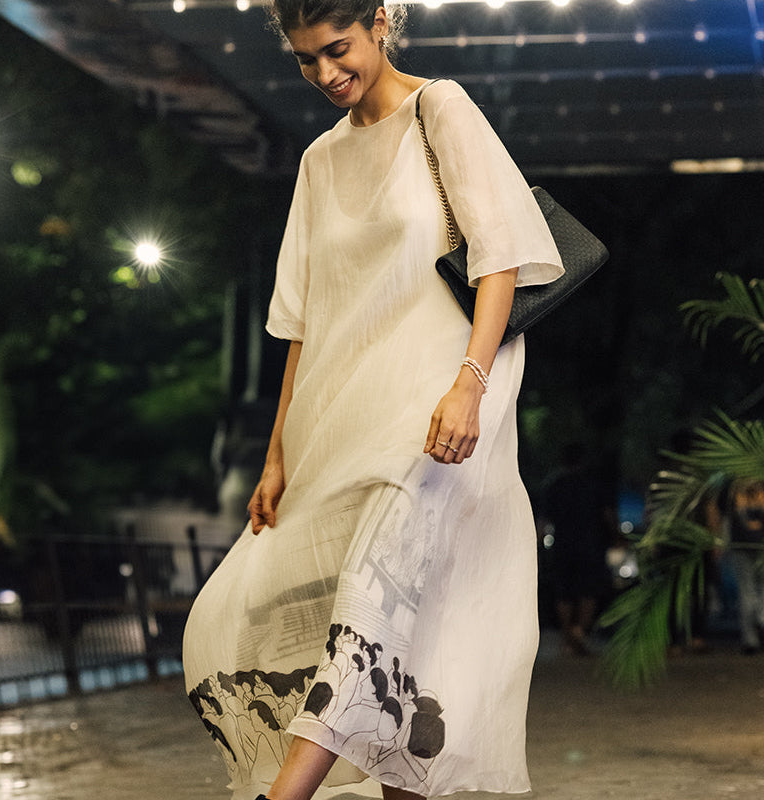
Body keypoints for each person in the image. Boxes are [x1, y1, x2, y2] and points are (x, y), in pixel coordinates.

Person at [182, 2, 563, 799]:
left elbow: (500, 259)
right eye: (305, 59)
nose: (325, 73)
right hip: (345, 418)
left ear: (381, 21)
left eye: (338, 48)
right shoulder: (320, 161)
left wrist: (470, 385)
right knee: (378, 645)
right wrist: (276, 455)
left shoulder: (440, 108)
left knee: (369, 611)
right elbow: (302, 323)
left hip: (440, 412)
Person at [538, 443, 614, 656]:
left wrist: (539, 544)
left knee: (564, 592)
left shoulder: (554, 484)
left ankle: (567, 637)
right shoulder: (594, 484)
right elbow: (608, 514)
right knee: (588, 590)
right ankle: (579, 631)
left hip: (562, 545)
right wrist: (615, 536)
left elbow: (543, 520)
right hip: (590, 544)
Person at [725, 478, 764, 654]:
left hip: (751, 547)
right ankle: (752, 636)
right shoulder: (736, 491)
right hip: (745, 547)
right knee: (751, 592)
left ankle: (752, 637)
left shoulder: (737, 490)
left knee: (750, 592)